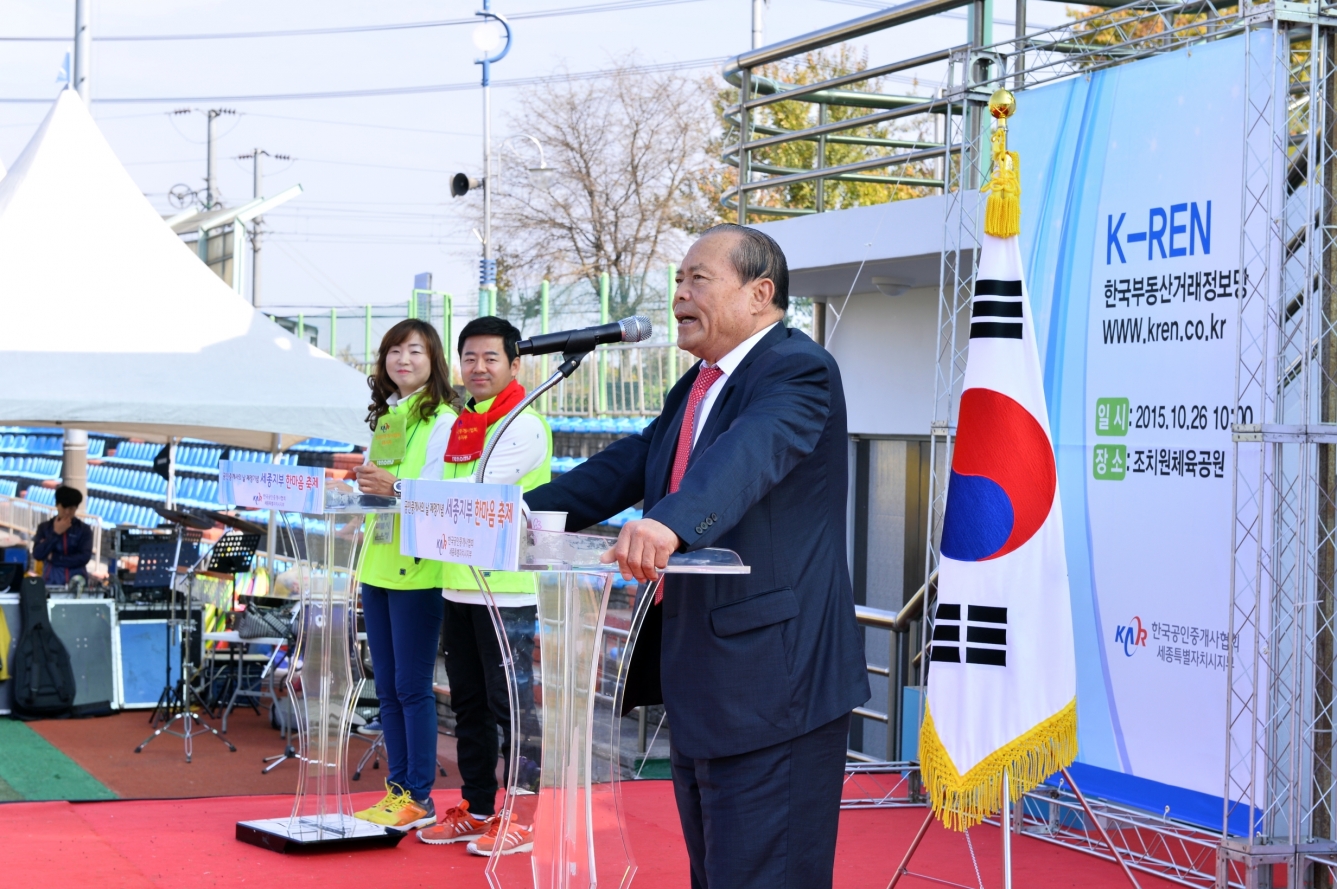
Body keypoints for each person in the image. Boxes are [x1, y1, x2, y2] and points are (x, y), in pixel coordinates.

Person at [525, 224, 869, 888]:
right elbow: (629, 463)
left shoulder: (796, 368)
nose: (679, 294)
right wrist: (522, 516)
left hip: (774, 682)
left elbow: (750, 453)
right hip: (705, 682)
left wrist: (668, 525)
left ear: (759, 292)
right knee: (716, 872)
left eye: (697, 279)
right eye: (677, 281)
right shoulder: (697, 385)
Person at [416, 316, 551, 856]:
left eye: (491, 358)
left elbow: (468, 497)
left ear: (515, 365)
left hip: (507, 591)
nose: (478, 368)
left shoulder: (523, 424)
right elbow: (428, 489)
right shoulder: (455, 423)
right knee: (467, 704)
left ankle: (522, 815)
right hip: (457, 584)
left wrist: (420, 495)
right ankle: (476, 809)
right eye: (469, 358)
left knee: (511, 706)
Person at [351, 319, 461, 833]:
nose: (402, 360)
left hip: (419, 569)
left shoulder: (442, 419)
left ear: (433, 359)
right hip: (378, 566)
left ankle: (419, 794)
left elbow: (438, 495)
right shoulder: (389, 417)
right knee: (389, 689)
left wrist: (392, 486)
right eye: (394, 351)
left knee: (413, 688)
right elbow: (381, 490)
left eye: (414, 351)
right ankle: (399, 792)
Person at [32, 485, 93, 586]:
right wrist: (56, 533)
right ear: (57, 505)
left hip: (77, 583)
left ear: (76, 508)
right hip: (51, 582)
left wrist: (53, 557)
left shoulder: (84, 530)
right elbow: (38, 554)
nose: (67, 512)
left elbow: (83, 558)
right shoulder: (45, 527)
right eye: (64, 507)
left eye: (71, 508)